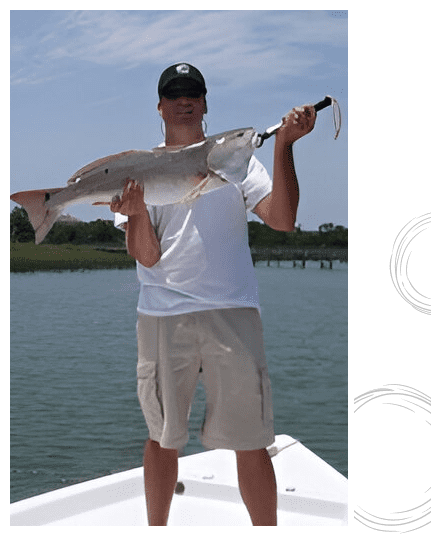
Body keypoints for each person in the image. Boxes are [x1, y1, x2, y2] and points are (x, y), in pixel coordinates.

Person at [110, 62, 316, 526]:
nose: (185, 100)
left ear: (205, 102)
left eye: (194, 92)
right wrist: (138, 212)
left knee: (252, 439)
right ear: (160, 105)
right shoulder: (139, 170)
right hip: (162, 315)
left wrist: (284, 146)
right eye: (175, 92)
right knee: (162, 437)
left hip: (234, 313)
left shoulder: (238, 158)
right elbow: (146, 256)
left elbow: (282, 219)